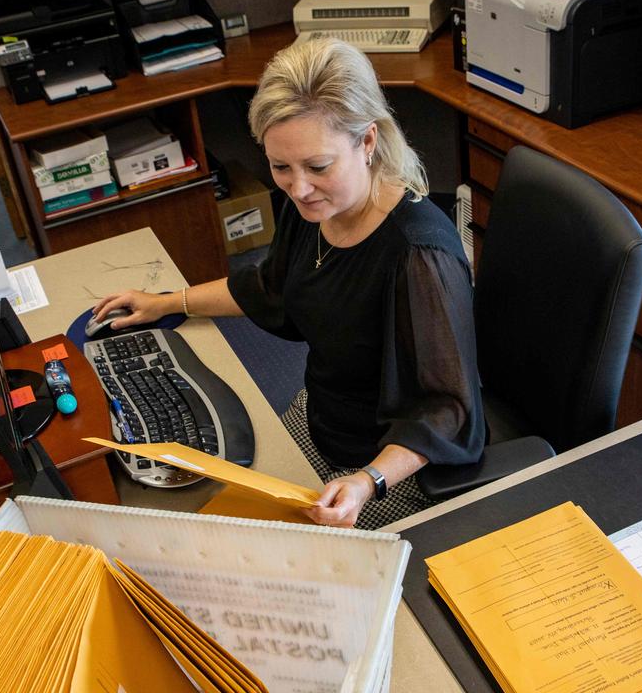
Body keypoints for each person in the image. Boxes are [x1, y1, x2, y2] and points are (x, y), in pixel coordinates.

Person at [94, 37, 483, 529]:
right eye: (281, 167)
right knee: (206, 508)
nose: (298, 187)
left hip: (388, 466)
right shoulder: (314, 207)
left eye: (318, 167)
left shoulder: (418, 255)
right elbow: (272, 287)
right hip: (320, 417)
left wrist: (369, 481)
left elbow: (447, 408)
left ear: (367, 142)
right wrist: (167, 302)